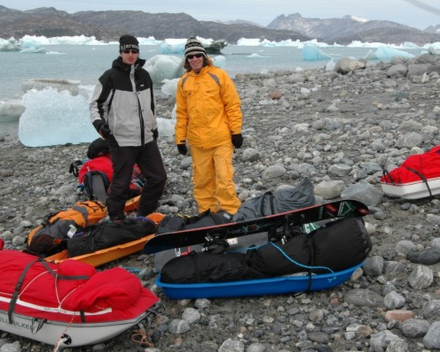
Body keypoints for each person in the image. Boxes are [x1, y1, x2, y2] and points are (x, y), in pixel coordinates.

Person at [89, 34, 167, 220]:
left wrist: (153, 127)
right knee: (121, 183)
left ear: (138, 52)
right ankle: (116, 220)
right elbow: (95, 105)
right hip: (121, 139)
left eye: (134, 51)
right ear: (120, 52)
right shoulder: (110, 77)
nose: (131, 54)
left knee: (158, 178)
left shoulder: (144, 75)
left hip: (146, 138)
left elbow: (151, 105)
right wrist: (101, 126)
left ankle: (144, 215)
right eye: (127, 51)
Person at [175, 36, 243, 215]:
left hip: (221, 138)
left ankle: (231, 213)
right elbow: (182, 114)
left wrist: (236, 131)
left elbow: (233, 105)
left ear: (204, 56)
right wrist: (180, 139)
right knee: (202, 182)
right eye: (191, 56)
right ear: (187, 60)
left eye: (198, 55)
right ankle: (207, 214)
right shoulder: (183, 82)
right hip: (198, 143)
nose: (195, 59)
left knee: (224, 178)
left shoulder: (218, 75)